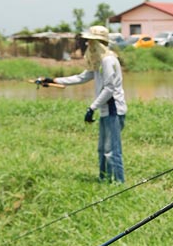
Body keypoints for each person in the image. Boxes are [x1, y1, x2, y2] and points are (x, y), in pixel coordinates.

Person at [39, 25, 127, 183]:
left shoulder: (108, 61)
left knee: (112, 151)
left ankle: (119, 183)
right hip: (106, 111)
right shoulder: (99, 62)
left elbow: (109, 89)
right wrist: (52, 80)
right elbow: (81, 77)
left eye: (90, 42)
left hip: (114, 110)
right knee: (102, 149)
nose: (88, 45)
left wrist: (92, 108)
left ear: (98, 43)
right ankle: (104, 180)